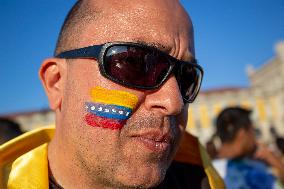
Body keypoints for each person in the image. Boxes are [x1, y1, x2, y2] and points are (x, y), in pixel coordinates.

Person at [0, 0, 224, 188]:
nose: (174, 102)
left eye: (187, 77)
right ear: (56, 83)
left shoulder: (202, 181)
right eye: (133, 62)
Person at [213, 107, 284, 189]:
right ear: (242, 133)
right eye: (252, 131)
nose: (254, 138)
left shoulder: (213, 170)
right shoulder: (255, 168)